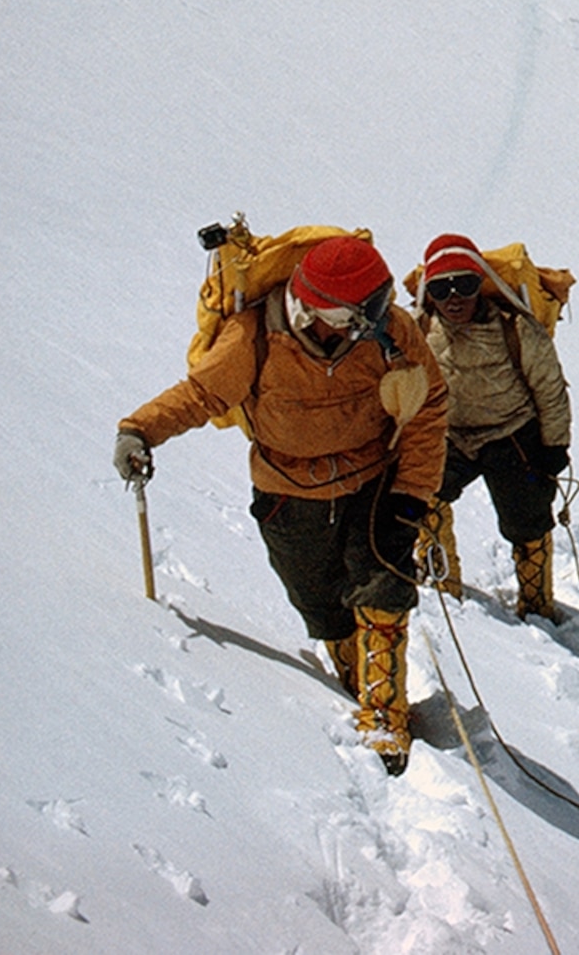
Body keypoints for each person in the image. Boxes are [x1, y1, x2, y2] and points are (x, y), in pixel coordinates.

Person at [115, 233, 447, 774]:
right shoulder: (254, 337)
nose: (380, 321)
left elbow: (428, 406)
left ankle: (385, 715)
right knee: (320, 604)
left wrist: (410, 498)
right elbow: (202, 394)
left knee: (383, 580)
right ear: (323, 310)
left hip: (372, 482)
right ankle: (352, 676)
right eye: (362, 314)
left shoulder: (390, 333)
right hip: (289, 495)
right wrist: (139, 431)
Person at [414, 235, 573, 619]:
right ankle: (442, 582)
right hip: (450, 435)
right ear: (428, 292)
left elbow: (550, 389)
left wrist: (554, 446)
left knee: (528, 520)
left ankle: (536, 603)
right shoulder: (417, 331)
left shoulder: (516, 328)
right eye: (441, 288)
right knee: (422, 498)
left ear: (480, 284)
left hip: (511, 434)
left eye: (464, 285)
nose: (454, 297)